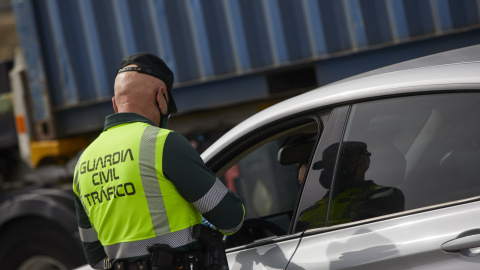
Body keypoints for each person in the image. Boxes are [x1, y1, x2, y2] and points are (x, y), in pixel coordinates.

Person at [72, 52, 245, 270]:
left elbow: (96, 258)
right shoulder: (163, 143)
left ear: (115, 104)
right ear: (161, 96)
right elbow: (231, 220)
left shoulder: (83, 163)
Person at [297, 141, 404, 230]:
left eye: (336, 165)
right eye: (327, 167)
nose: (329, 172)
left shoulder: (382, 195)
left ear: (362, 163)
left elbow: (357, 228)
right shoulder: (312, 208)